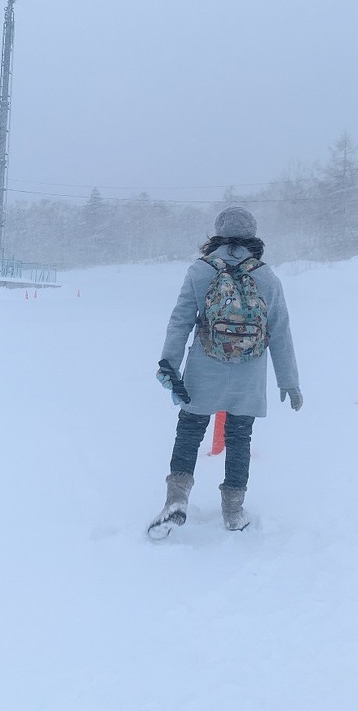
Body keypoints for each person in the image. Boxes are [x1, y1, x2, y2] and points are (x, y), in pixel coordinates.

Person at [148, 205, 302, 538]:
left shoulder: (200, 271)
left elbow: (181, 321)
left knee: (189, 431)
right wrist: (289, 381)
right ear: (253, 235)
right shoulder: (265, 275)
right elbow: (280, 328)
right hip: (249, 373)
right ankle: (233, 510)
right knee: (238, 437)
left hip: (205, 367)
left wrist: (169, 364)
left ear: (216, 233)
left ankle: (176, 499)